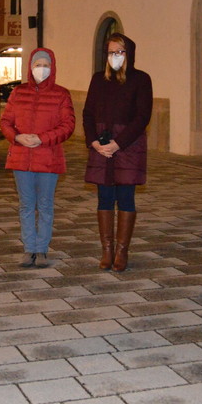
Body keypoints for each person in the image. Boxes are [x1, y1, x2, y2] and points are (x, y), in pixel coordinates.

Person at [0, 48, 75, 268]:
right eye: (37, 64)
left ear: (52, 67)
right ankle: (28, 248)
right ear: (30, 67)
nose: (41, 68)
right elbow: (5, 122)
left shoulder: (61, 94)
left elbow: (67, 125)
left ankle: (41, 249)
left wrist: (42, 138)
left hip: (48, 157)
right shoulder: (18, 93)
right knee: (25, 205)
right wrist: (17, 137)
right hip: (22, 157)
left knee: (45, 205)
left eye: (45, 64)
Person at [83, 33, 153, 272]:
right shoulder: (98, 79)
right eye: (112, 52)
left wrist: (119, 143)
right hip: (101, 147)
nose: (116, 57)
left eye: (120, 52)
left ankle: (122, 251)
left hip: (128, 147)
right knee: (104, 198)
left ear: (129, 54)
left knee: (125, 198)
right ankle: (107, 250)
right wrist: (93, 141)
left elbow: (142, 116)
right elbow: (88, 114)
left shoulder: (141, 79)